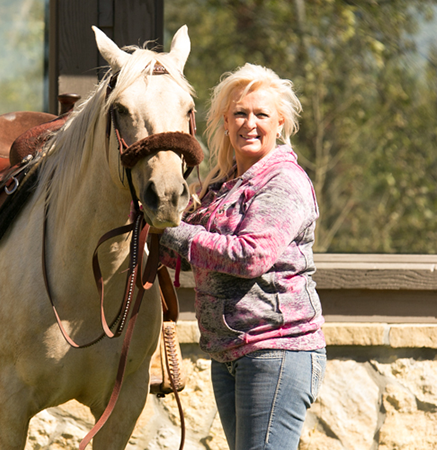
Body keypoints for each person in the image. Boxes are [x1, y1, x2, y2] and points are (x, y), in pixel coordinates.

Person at [156, 63, 326, 450]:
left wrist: (171, 231)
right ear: (225, 120)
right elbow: (186, 251)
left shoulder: (284, 182)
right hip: (231, 352)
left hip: (276, 351)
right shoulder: (221, 185)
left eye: (261, 114)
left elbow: (250, 256)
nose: (250, 123)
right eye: (240, 113)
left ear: (280, 121)